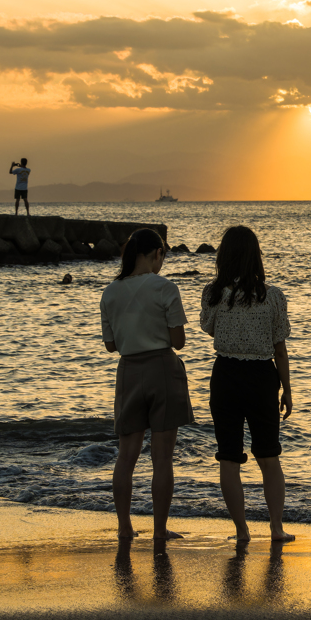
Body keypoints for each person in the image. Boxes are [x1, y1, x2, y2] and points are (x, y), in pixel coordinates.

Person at [200, 225, 295, 543]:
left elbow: (210, 330)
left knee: (229, 457)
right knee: (269, 457)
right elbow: (279, 348)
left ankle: (241, 531)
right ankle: (276, 528)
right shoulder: (273, 297)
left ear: (224, 258)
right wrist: (288, 390)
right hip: (261, 378)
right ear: (256, 257)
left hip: (225, 375)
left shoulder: (215, 294)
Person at [100, 228, 193, 551]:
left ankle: (124, 526)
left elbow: (111, 345)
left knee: (126, 456)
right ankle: (159, 530)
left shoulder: (110, 292)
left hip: (128, 371)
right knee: (162, 458)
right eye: (163, 255)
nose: (162, 262)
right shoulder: (164, 287)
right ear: (156, 253)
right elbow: (179, 342)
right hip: (161, 370)